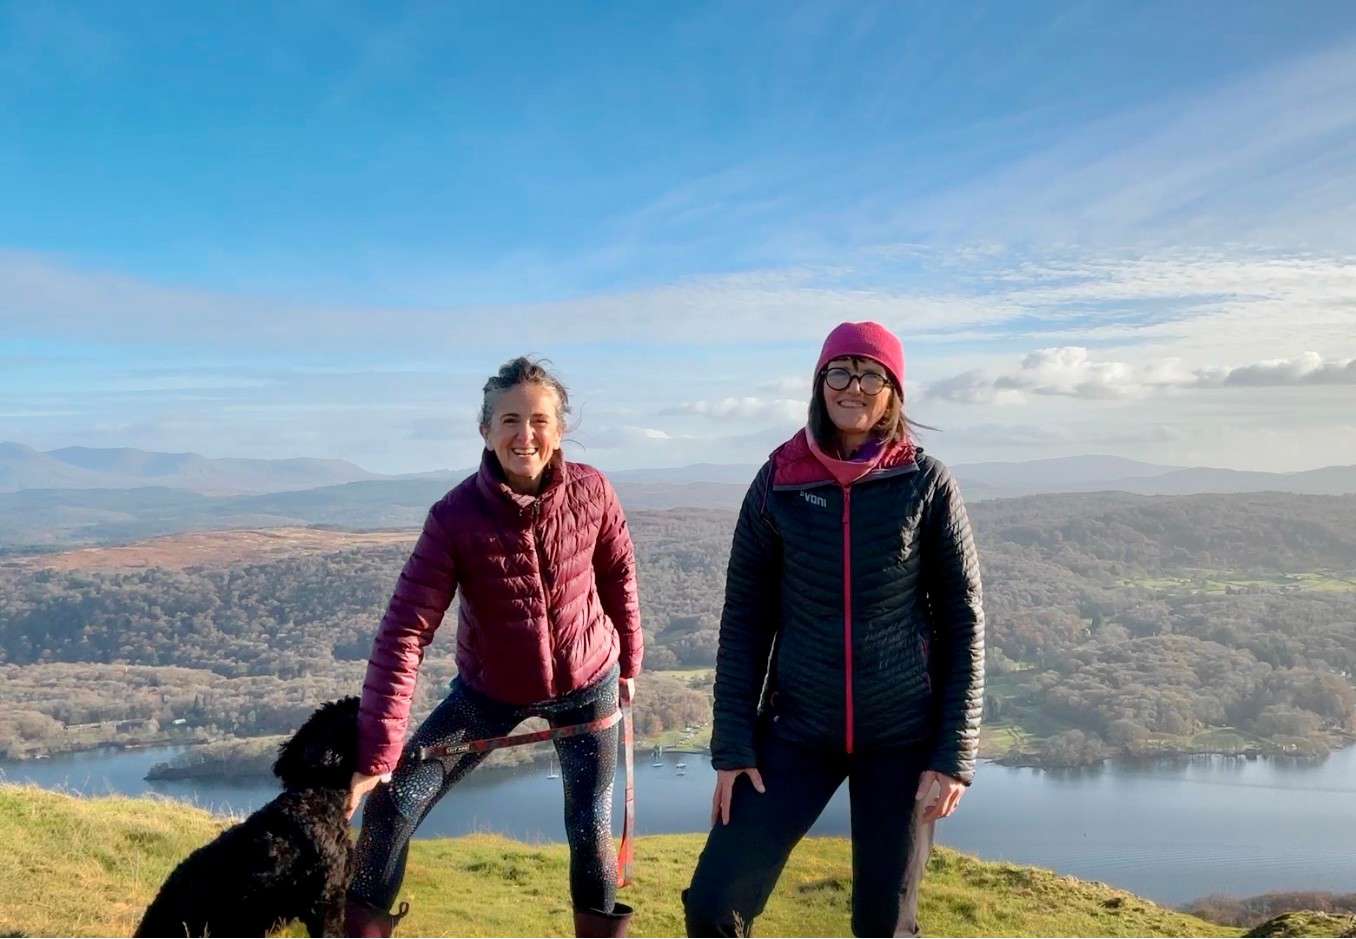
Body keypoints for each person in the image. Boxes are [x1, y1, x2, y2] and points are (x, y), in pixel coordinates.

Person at [683, 321, 985, 938]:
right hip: (796, 730)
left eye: (870, 373)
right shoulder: (779, 481)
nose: (854, 385)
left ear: (892, 389)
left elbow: (964, 621)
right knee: (715, 901)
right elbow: (744, 619)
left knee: (883, 925)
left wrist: (953, 754)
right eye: (839, 371)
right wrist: (733, 746)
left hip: (901, 736)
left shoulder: (925, 482)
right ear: (819, 383)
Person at [343, 356, 643, 938]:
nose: (524, 435)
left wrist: (629, 661)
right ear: (485, 429)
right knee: (392, 805)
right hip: (490, 693)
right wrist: (379, 752)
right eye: (509, 419)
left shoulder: (593, 490)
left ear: (559, 430)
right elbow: (405, 631)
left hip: (590, 684)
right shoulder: (454, 517)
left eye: (538, 420)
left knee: (590, 829)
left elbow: (618, 575)